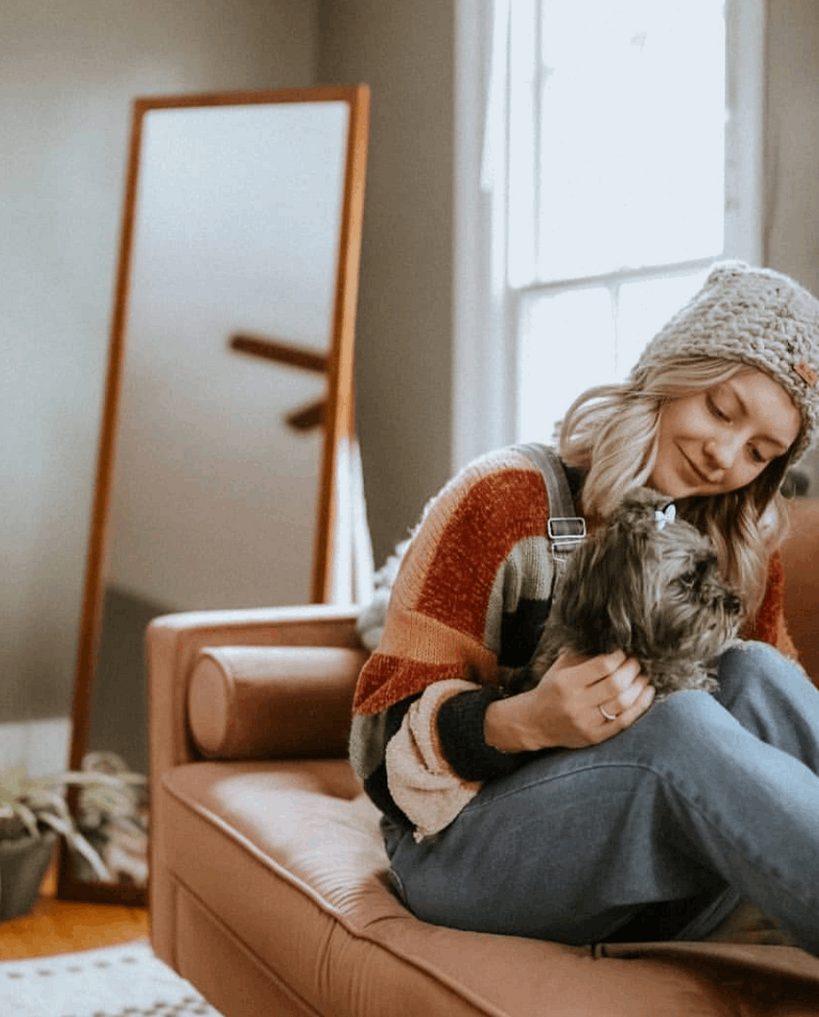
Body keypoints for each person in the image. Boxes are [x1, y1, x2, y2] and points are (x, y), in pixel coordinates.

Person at [350, 260, 819, 951]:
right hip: (462, 851)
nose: (725, 455)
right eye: (720, 409)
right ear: (671, 370)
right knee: (679, 722)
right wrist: (524, 722)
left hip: (657, 880)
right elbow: (379, 749)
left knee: (757, 674)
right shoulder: (504, 497)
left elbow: (772, 750)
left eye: (760, 451)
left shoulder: (738, 544)